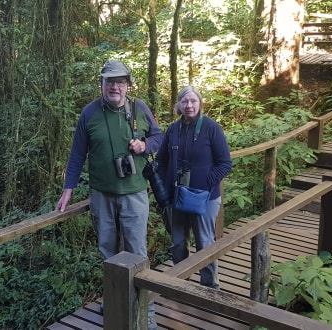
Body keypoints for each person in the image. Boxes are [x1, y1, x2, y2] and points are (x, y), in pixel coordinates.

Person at [56, 60, 162, 328]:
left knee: (137, 252)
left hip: (134, 192)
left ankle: (144, 313)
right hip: (101, 194)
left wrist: (144, 144)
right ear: (101, 84)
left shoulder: (139, 108)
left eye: (120, 81)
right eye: (109, 81)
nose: (115, 86)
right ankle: (115, 301)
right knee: (108, 251)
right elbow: (78, 153)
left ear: (128, 84)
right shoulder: (89, 113)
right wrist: (68, 189)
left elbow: (160, 137)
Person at [157, 86, 232, 289]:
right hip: (177, 197)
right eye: (184, 101)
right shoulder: (173, 130)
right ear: (178, 105)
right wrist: (165, 188)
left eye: (193, 101)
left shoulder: (211, 128)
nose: (189, 105)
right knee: (178, 242)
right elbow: (161, 161)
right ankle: (180, 281)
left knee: (204, 242)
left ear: (200, 103)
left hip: (205, 198)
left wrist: (206, 184)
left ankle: (209, 285)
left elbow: (225, 163)